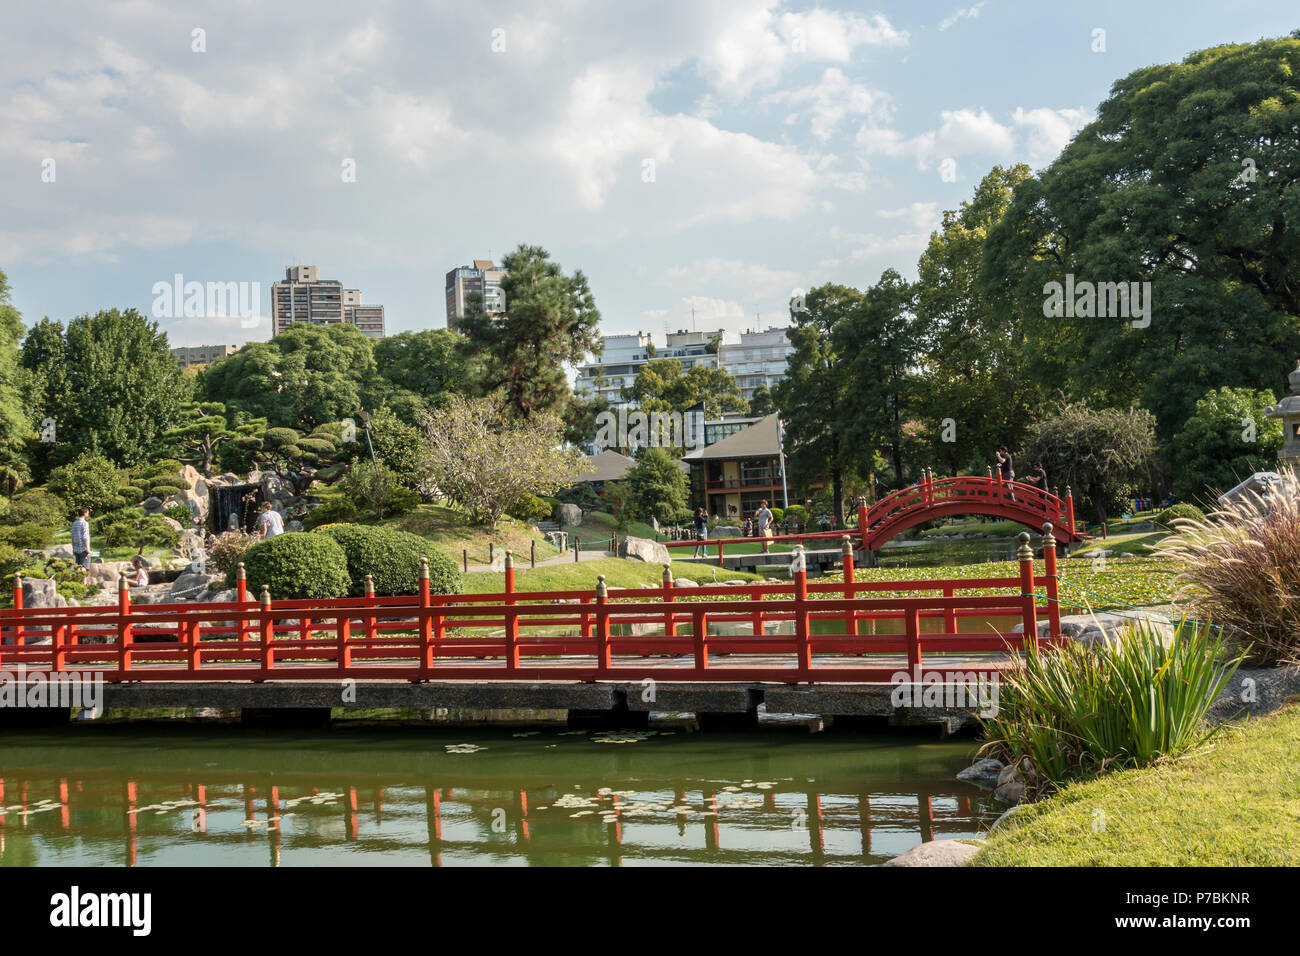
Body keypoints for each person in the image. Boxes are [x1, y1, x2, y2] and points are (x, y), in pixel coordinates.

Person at [70, 507, 91, 572]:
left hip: (76, 548)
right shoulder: (84, 523)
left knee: (78, 567)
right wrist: (88, 549)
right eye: (87, 513)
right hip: (83, 549)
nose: (88, 514)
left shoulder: (74, 523)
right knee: (84, 567)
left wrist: (73, 549)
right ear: (84, 513)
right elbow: (85, 537)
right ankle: (84, 582)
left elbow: (73, 536)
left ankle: (77, 581)